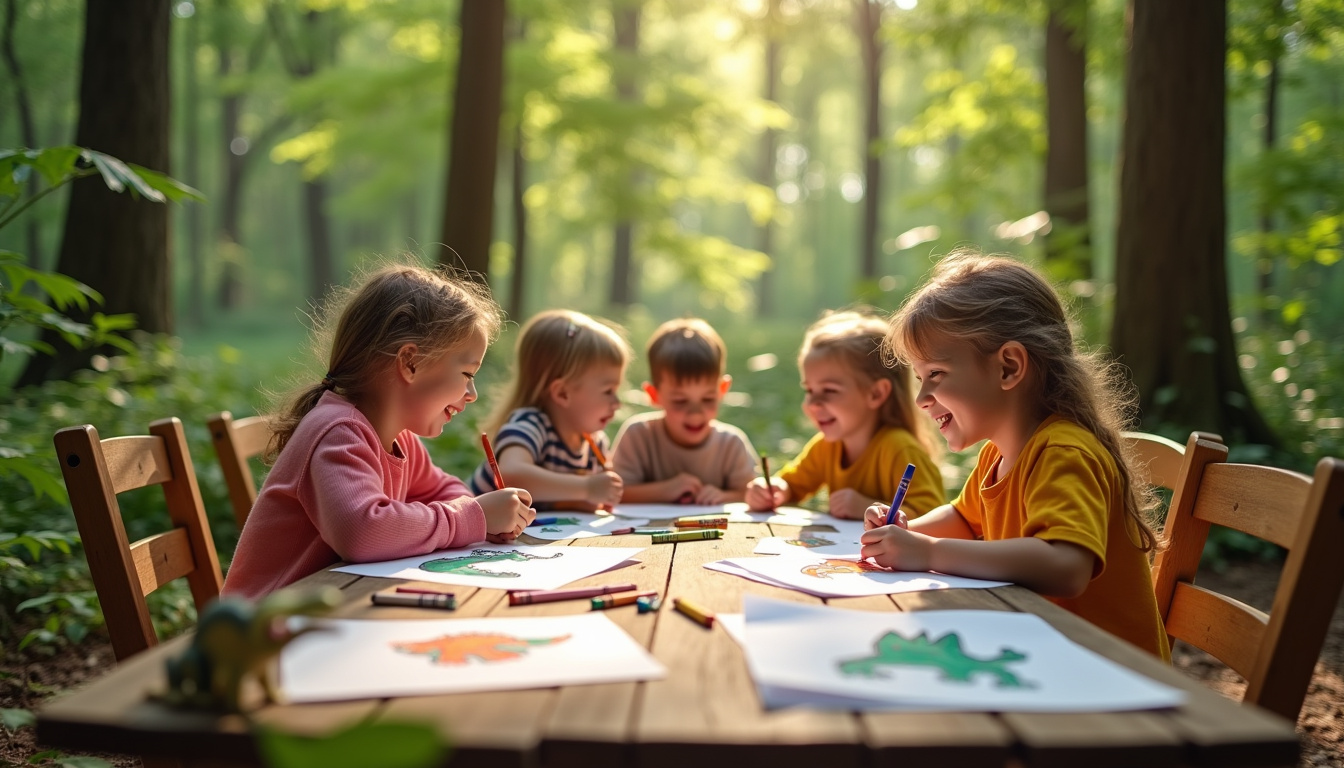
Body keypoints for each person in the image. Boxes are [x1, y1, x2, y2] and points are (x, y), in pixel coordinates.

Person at [860, 251, 1170, 660]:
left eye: (935, 374)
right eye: (919, 379)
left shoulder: (1063, 451)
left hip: (1113, 674)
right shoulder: (997, 454)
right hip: (1048, 652)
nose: (921, 398)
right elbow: (965, 519)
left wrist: (928, 552)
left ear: (1008, 366)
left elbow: (1065, 566)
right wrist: (905, 529)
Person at [223, 262, 534, 599]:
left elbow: (445, 490)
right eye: (467, 375)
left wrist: (479, 516)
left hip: (329, 615)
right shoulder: (338, 432)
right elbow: (364, 531)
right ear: (410, 362)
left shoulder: (399, 439)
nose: (472, 395)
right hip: (260, 634)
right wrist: (471, 518)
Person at [746, 310, 944, 519]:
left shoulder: (899, 448)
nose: (813, 404)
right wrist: (774, 489)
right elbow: (793, 485)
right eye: (809, 390)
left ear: (876, 393)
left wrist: (867, 507)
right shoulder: (826, 446)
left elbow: (936, 517)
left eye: (829, 390)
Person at [469, 309, 630, 511]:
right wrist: (587, 488)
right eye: (608, 391)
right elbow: (511, 475)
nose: (617, 402)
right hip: (474, 534)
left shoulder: (595, 444)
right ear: (562, 393)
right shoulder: (530, 424)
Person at [611, 318, 758, 504]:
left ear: (722, 390)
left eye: (708, 399)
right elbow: (613, 493)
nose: (696, 413)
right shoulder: (638, 436)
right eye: (680, 401)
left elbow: (752, 495)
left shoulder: (732, 444)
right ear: (654, 395)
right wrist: (665, 490)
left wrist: (724, 496)